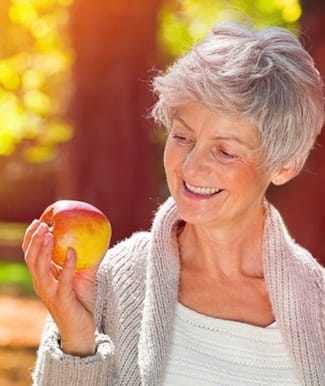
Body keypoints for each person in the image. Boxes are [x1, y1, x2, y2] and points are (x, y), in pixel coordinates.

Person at [22, 21, 325, 385]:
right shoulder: (109, 282)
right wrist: (77, 343)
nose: (191, 166)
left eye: (225, 151)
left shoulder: (317, 301)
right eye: (182, 136)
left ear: (284, 165)